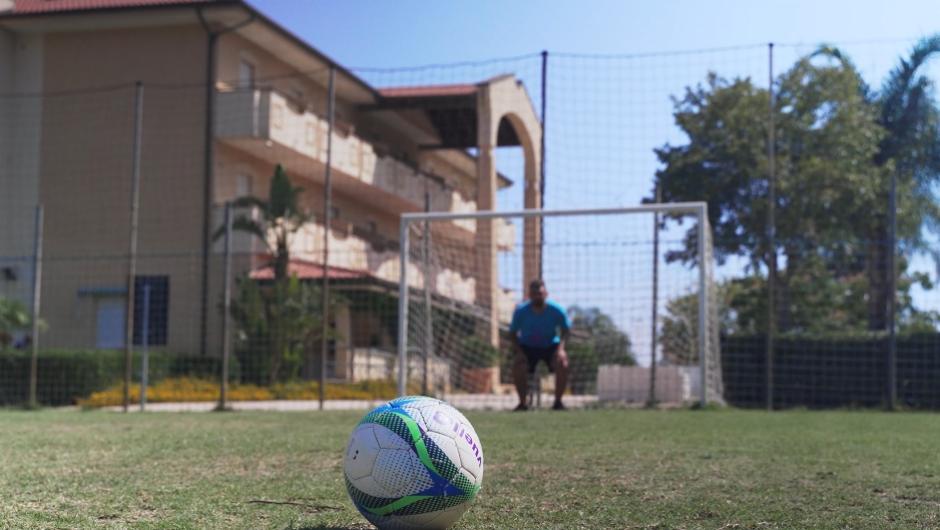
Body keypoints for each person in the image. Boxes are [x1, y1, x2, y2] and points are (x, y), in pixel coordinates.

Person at [509, 279, 571, 411]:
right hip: (527, 347)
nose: (538, 296)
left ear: (546, 293)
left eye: (540, 293)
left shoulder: (557, 310)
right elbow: (513, 333)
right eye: (534, 293)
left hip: (550, 346)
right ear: (529, 295)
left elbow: (566, 331)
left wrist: (561, 349)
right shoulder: (520, 311)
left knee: (562, 363)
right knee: (518, 365)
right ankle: (522, 404)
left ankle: (558, 403)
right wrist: (519, 352)